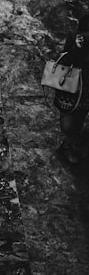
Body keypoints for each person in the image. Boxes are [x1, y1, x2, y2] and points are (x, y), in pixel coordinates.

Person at [56, 14, 89, 164]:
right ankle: (69, 145)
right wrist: (77, 48)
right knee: (68, 125)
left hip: (86, 92)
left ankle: (72, 144)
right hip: (71, 89)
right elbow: (62, 63)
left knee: (79, 121)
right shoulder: (75, 37)